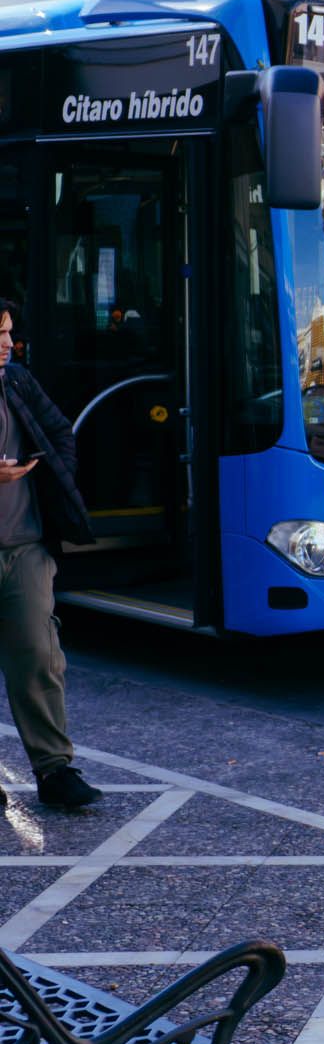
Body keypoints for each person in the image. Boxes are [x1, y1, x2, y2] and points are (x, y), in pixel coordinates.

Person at [0, 302, 100, 810]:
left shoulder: (15, 380)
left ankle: (54, 770)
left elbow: (61, 431)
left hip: (24, 545)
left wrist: (54, 475)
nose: (6, 344)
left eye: (9, 333)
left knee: (39, 656)